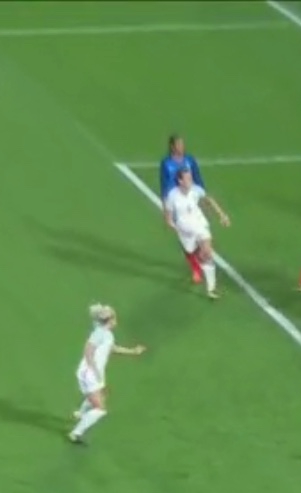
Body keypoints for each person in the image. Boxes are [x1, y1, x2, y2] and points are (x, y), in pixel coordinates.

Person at [70, 304, 146, 444]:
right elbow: (88, 351)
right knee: (100, 409)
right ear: (110, 320)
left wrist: (133, 351)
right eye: (114, 317)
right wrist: (94, 371)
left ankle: (80, 413)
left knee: (103, 392)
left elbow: (112, 348)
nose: (116, 319)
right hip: (91, 375)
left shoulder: (106, 333)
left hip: (91, 373)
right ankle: (76, 433)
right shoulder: (100, 333)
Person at [164, 168, 231, 299]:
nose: (191, 180)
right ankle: (199, 261)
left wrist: (222, 215)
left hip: (200, 224)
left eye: (191, 178)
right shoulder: (172, 195)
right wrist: (171, 224)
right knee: (191, 252)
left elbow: (209, 200)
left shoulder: (196, 190)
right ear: (180, 181)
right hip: (185, 230)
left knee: (207, 252)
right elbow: (168, 214)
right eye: (188, 178)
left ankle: (211, 289)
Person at [159, 134, 207, 281]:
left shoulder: (190, 160)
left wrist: (202, 196)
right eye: (178, 144)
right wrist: (165, 206)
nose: (181, 147)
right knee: (185, 237)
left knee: (199, 231)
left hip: (191, 198)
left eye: (182, 144)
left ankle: (199, 254)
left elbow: (197, 178)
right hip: (176, 203)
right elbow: (164, 184)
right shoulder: (166, 163)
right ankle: (195, 268)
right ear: (172, 146)